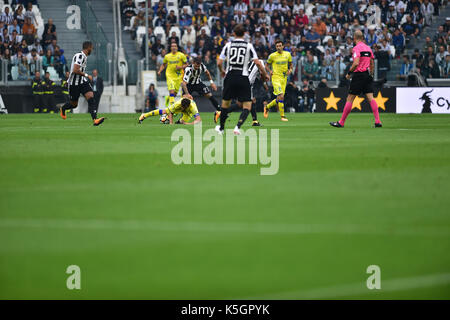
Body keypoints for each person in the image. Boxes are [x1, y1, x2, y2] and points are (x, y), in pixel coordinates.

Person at [216, 24, 268, 135]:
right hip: (243, 77)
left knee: (225, 104)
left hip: (230, 76)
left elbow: (219, 62)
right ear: (244, 34)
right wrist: (265, 74)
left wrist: (222, 71)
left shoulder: (228, 45)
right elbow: (258, 63)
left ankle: (221, 128)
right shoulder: (248, 46)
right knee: (247, 105)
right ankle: (237, 127)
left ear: (233, 34)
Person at [330, 30, 382, 128]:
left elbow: (356, 63)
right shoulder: (368, 48)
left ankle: (341, 122)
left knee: (350, 98)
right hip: (367, 75)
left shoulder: (356, 49)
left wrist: (349, 73)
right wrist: (371, 74)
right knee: (371, 98)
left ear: (354, 38)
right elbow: (371, 63)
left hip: (358, 75)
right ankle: (377, 121)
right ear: (362, 38)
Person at [59, 41, 105, 126]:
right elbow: (75, 70)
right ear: (88, 48)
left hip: (82, 82)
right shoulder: (80, 56)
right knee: (74, 104)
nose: (92, 49)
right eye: (91, 48)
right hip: (74, 84)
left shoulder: (84, 57)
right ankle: (63, 108)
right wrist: (87, 75)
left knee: (91, 97)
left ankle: (95, 119)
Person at [181, 56, 220, 123]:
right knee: (185, 101)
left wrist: (212, 83)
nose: (197, 68)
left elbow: (207, 73)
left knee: (209, 95)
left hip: (198, 83)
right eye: (196, 66)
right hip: (188, 85)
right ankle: (181, 119)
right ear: (193, 63)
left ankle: (220, 111)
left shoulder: (202, 66)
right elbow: (183, 83)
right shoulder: (188, 69)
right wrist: (187, 94)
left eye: (198, 66)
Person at [264, 40, 292, 121]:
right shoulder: (272, 56)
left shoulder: (288, 54)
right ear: (276, 47)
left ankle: (267, 107)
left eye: (280, 46)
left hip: (284, 78)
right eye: (277, 46)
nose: (279, 47)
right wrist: (270, 71)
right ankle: (282, 116)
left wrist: (290, 70)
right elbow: (266, 65)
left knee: (279, 97)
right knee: (281, 96)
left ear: (283, 46)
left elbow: (291, 65)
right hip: (276, 77)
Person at [157, 42, 188, 107]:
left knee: (174, 94)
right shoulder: (167, 56)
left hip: (178, 76)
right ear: (170, 48)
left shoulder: (181, 55)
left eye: (175, 46)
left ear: (177, 48)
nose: (173, 47)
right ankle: (172, 108)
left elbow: (187, 64)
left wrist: (180, 67)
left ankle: (167, 98)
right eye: (172, 46)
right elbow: (163, 65)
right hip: (169, 75)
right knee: (171, 91)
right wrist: (160, 71)